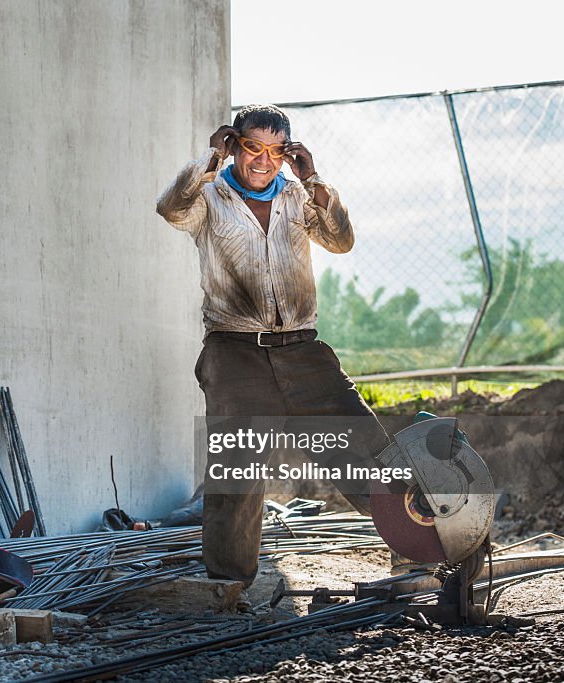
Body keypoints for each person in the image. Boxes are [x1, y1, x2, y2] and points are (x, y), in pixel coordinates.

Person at [156, 104, 390, 587]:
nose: (263, 160)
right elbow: (171, 208)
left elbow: (341, 241)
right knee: (237, 472)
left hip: (302, 350)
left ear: (288, 153)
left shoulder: (299, 197)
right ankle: (228, 585)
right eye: (252, 147)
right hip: (233, 350)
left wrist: (315, 179)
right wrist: (208, 158)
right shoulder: (211, 197)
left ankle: (421, 547)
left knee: (362, 445)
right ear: (234, 145)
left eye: (276, 151)